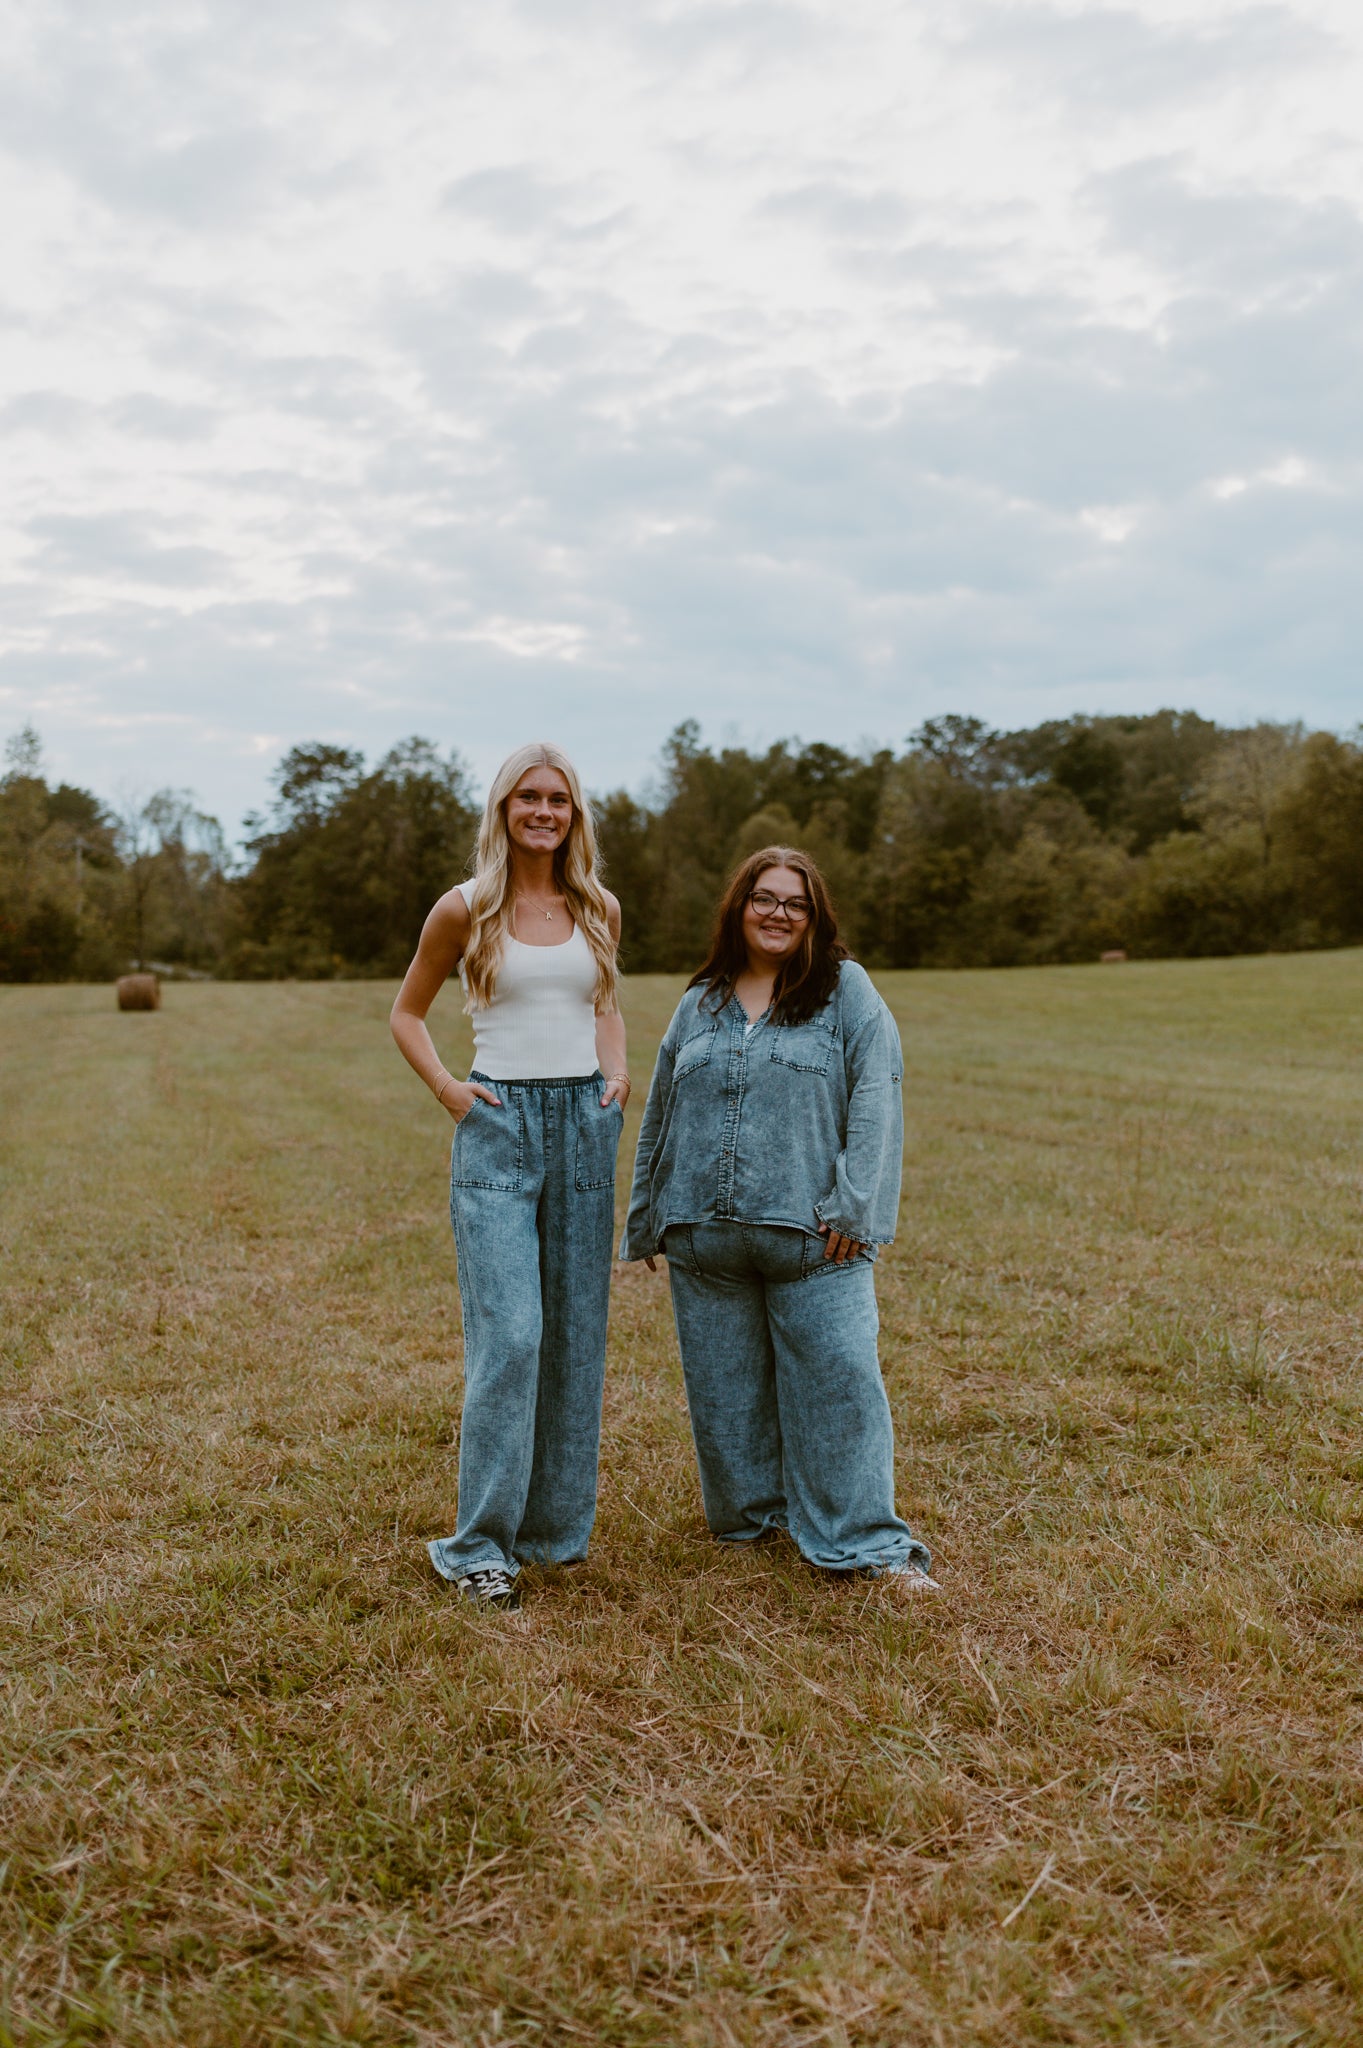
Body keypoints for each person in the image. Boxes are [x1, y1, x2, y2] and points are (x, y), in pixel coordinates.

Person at [622, 846, 939, 1599]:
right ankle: (753, 1522)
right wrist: (647, 1218)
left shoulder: (844, 991)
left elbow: (876, 1096)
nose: (776, 914)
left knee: (840, 1388)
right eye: (762, 899)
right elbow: (661, 1108)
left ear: (813, 917)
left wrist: (856, 1209)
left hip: (814, 1238)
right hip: (704, 1235)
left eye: (793, 904)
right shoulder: (699, 1000)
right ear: (738, 908)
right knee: (724, 1392)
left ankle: (866, 1545)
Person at [391, 743, 628, 1609]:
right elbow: (406, 1012)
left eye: (557, 799)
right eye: (527, 797)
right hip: (497, 1126)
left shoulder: (596, 904)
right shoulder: (463, 908)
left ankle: (552, 1533)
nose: (542, 811)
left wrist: (615, 1078)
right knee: (513, 1336)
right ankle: (477, 1545)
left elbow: (604, 1004)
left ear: (574, 814)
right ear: (503, 809)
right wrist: (453, 1092)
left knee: (573, 1335)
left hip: (582, 1128)